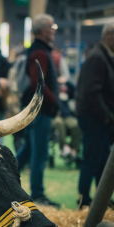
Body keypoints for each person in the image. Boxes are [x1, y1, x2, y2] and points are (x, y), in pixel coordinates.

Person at [15, 14, 60, 208]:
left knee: (29, 150)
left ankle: (3, 178)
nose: (54, 31)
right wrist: (55, 102)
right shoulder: (40, 52)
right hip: (40, 111)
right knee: (38, 153)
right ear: (43, 30)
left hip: (34, 110)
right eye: (52, 27)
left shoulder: (35, 50)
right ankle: (38, 193)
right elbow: (37, 83)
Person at [76, 23, 114, 208]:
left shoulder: (104, 57)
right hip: (94, 118)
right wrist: (107, 116)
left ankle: (101, 200)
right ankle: (83, 199)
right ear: (108, 35)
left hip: (99, 118)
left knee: (102, 161)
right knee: (93, 159)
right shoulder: (98, 58)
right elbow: (91, 92)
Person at [51, 50, 81, 161]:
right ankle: (64, 147)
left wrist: (66, 82)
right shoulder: (51, 83)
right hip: (55, 115)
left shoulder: (66, 86)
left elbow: (75, 92)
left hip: (67, 114)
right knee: (59, 124)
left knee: (75, 125)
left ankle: (74, 150)